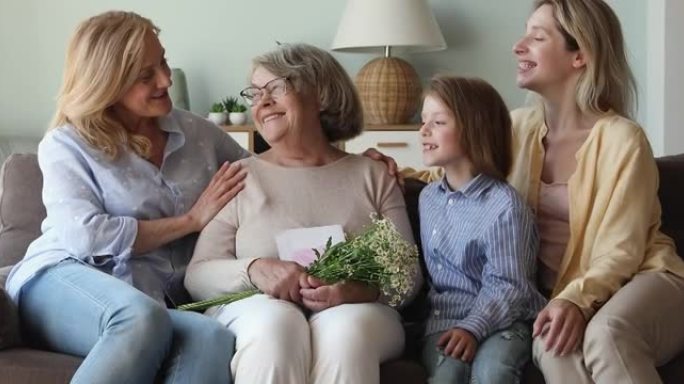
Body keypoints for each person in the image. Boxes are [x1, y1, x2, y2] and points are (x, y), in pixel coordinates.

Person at [4, 11, 249, 384]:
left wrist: (357, 164)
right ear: (108, 82)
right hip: (63, 276)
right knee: (136, 316)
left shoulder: (197, 133)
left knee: (211, 337)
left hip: (151, 298)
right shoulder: (66, 144)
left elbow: (266, 175)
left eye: (163, 62)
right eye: (145, 74)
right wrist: (190, 222)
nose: (166, 79)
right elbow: (87, 237)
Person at [184, 43, 423, 384]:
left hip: (358, 314)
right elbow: (198, 275)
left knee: (344, 331)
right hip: (258, 309)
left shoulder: (372, 175)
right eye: (255, 93)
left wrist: (357, 291)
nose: (262, 102)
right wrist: (255, 270)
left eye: (277, 88)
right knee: (277, 324)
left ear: (321, 95)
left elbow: (408, 276)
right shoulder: (240, 177)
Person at [510, 0, 684, 382]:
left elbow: (622, 249)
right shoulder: (516, 130)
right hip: (563, 295)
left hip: (645, 278)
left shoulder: (623, 139)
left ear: (581, 56)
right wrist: (381, 166)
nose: (518, 46)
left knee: (608, 334)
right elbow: (457, 181)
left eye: (537, 37)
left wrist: (576, 299)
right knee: (551, 344)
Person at [417, 75, 546, 384]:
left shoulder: (504, 205)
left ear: (474, 129)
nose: (423, 131)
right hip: (444, 322)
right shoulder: (427, 198)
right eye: (423, 121)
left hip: (505, 319)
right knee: (446, 376)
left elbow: (509, 285)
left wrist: (473, 327)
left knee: (493, 372)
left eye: (438, 122)